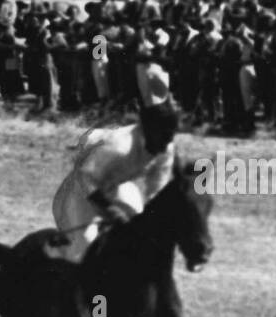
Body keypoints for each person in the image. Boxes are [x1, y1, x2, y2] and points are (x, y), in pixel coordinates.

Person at [47, 100, 180, 264]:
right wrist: (110, 209)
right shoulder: (119, 145)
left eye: (171, 134)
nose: (167, 141)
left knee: (139, 233)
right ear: (148, 129)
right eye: (164, 134)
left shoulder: (166, 148)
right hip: (81, 190)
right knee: (83, 252)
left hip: (115, 185)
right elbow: (85, 177)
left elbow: (156, 192)